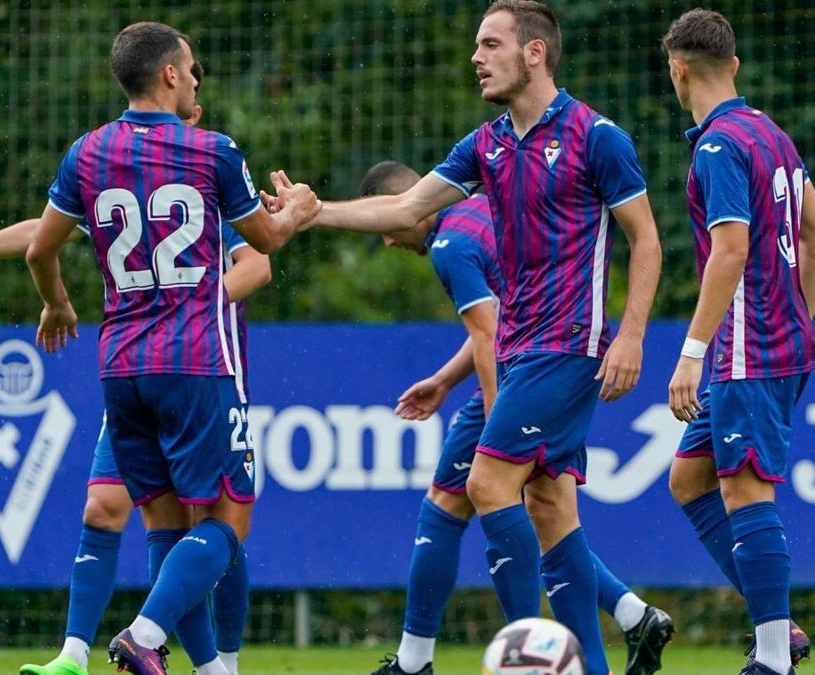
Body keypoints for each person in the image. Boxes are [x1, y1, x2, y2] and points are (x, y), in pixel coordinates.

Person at [270, 3, 666, 673]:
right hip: (522, 347)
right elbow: (405, 206)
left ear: (535, 52)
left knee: (487, 482)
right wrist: (315, 214)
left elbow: (646, 238)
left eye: (491, 44)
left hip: (568, 342)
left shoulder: (596, 136)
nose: (476, 57)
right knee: (549, 505)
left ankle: (529, 657)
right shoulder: (486, 144)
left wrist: (631, 335)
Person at [0, 71, 264, 675]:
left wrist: (187, 305)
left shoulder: (207, 187)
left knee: (213, 523)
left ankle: (221, 661)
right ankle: (86, 654)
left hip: (196, 366)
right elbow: (46, 230)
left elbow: (257, 264)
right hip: (155, 366)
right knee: (125, 512)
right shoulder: (128, 177)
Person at [26, 21, 318, 675]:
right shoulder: (212, 150)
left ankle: (208, 669)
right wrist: (297, 209)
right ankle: (143, 633)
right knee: (227, 520)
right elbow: (266, 242)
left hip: (120, 366)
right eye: (190, 69)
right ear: (169, 75)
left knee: (164, 523)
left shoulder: (86, 153)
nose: (193, 79)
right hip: (193, 360)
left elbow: (39, 249)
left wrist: (57, 303)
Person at [356, 162, 670, 675]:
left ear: (406, 204)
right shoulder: (479, 210)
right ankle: (628, 620)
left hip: (525, 376)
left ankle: (501, 658)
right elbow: (498, 322)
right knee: (546, 509)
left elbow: (487, 337)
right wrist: (444, 380)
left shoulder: (449, 246)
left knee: (459, 502)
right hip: (554, 359)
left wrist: (497, 424)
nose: (388, 240)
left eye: (386, 224)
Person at [660, 9, 815, 675]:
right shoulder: (770, 133)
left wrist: (692, 351)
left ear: (678, 70)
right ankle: (777, 625)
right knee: (690, 479)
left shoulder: (717, 147)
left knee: (745, 491)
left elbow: (729, 250)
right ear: (731, 65)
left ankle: (772, 660)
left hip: (747, 349)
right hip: (776, 341)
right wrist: (796, 317)